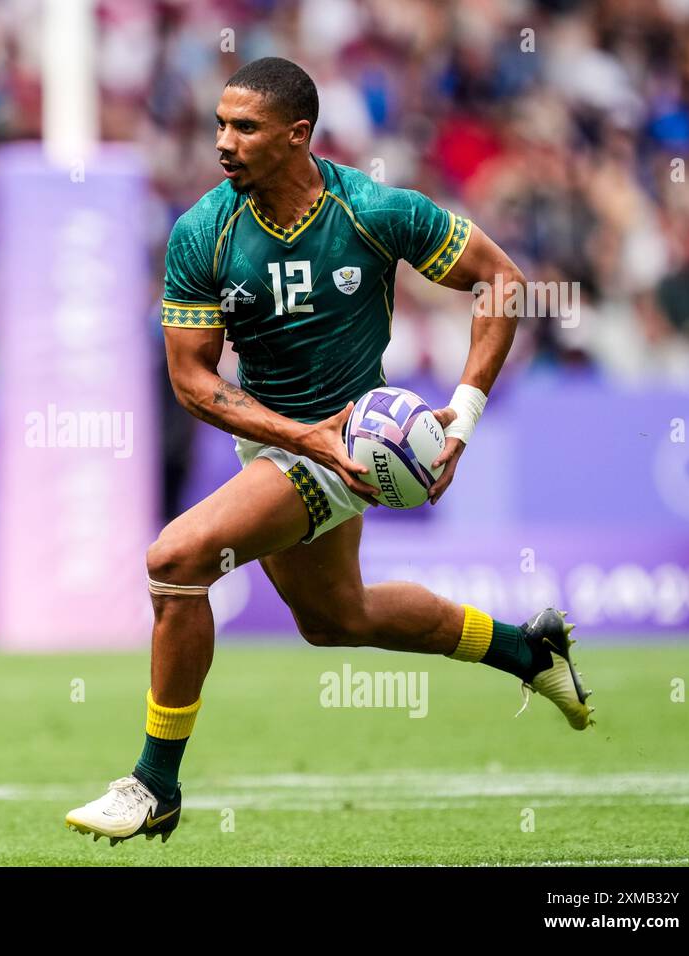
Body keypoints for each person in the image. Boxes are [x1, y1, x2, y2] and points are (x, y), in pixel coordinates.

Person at [65, 57, 595, 846]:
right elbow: (191, 381)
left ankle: (154, 784)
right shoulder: (203, 233)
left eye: (243, 127)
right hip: (286, 442)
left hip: (348, 447)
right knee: (337, 617)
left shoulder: (373, 210)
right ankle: (527, 648)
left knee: (176, 561)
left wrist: (463, 415)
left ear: (296, 135)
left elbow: (503, 283)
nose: (223, 142)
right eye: (219, 124)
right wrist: (296, 435)